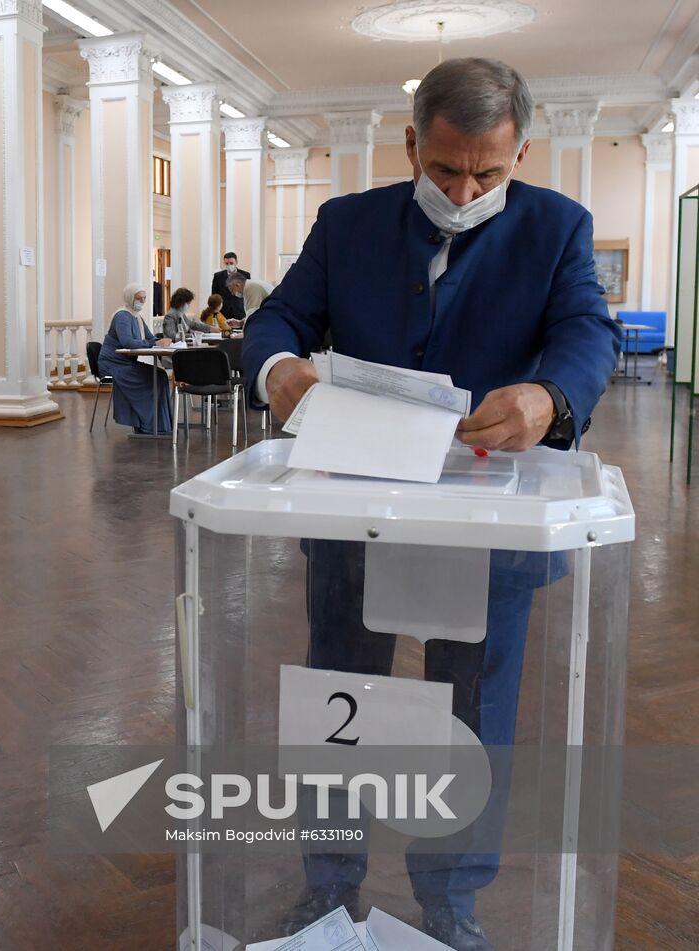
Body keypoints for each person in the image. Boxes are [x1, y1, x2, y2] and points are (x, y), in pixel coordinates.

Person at [244, 59, 619, 950]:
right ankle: (328, 884)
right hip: (356, 512)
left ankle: (452, 898)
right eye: (445, 167)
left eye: (488, 172)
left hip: (491, 514)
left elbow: (586, 333)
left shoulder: (558, 227)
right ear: (410, 142)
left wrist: (549, 399)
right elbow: (279, 320)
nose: (463, 189)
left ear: (520, 152)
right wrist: (279, 367)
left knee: (471, 716)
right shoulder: (347, 223)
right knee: (340, 696)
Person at [97, 283, 173, 435]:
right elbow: (128, 342)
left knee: (160, 375)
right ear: (130, 298)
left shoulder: (136, 317)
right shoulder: (122, 316)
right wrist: (155, 343)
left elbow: (151, 337)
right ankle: (146, 424)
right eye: (139, 298)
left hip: (126, 363)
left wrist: (161, 341)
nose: (142, 302)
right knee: (154, 378)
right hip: (114, 365)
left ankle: (160, 424)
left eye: (144, 298)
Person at [211, 251, 251, 323]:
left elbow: (248, 292)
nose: (229, 265)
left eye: (231, 263)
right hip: (223, 310)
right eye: (227, 263)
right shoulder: (218, 276)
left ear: (236, 262)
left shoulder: (245, 275)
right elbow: (214, 295)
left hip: (239, 309)